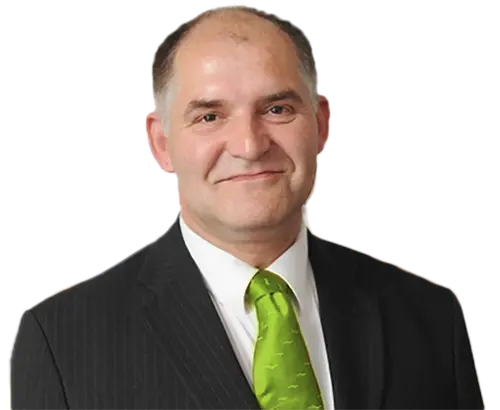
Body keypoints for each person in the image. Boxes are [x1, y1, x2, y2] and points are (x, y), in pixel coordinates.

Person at [9, 4, 485, 410]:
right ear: (161, 142)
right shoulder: (64, 342)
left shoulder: (428, 316)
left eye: (277, 109)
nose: (250, 145)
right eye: (209, 116)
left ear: (321, 124)